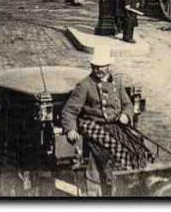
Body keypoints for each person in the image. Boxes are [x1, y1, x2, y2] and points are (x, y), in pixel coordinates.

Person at [61, 48, 152, 196]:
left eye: (102, 66)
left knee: (136, 145)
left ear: (109, 66)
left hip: (114, 124)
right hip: (92, 124)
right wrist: (71, 129)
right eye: (95, 66)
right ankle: (117, 178)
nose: (98, 70)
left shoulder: (117, 83)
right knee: (114, 146)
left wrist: (126, 115)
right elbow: (69, 111)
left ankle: (135, 175)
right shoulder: (84, 85)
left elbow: (128, 105)